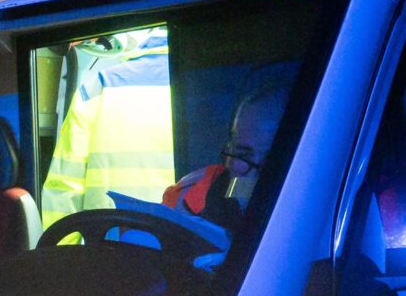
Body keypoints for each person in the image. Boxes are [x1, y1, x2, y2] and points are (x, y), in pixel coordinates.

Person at [41, 26, 175, 229]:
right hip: (183, 244)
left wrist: (63, 249)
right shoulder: (208, 88)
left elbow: (63, 191)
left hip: (108, 244)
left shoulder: (97, 87)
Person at [164, 82, 289, 231]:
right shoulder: (188, 197)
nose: (250, 173)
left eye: (272, 160)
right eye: (241, 154)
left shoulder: (308, 208)